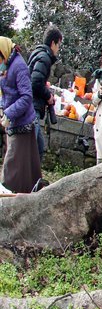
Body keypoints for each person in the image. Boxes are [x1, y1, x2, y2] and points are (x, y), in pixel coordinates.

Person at [0, 37, 42, 193]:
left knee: (12, 168)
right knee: (24, 167)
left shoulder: (19, 66)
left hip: (22, 124)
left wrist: (9, 113)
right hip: (12, 122)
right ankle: (30, 194)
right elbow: (5, 92)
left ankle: (6, 198)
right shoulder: (5, 65)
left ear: (4, 52)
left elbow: (26, 97)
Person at [27, 25, 62, 159]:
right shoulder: (44, 57)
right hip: (32, 107)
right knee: (31, 149)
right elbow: (35, 82)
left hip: (31, 104)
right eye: (58, 45)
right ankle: (23, 179)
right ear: (53, 43)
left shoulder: (37, 53)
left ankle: (35, 178)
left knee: (38, 148)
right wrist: (48, 96)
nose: (58, 49)